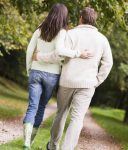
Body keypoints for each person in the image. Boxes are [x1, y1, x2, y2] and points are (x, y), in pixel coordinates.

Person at [35, 7, 113, 150]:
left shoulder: (70, 34)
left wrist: (39, 56)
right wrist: (97, 80)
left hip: (67, 81)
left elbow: (58, 55)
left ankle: (52, 146)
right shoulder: (102, 39)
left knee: (61, 113)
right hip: (88, 84)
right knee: (77, 119)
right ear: (94, 21)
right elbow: (108, 63)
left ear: (81, 18)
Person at [23, 3, 91, 150]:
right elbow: (60, 51)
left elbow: (30, 50)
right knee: (41, 106)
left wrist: (29, 68)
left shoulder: (40, 29)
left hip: (35, 71)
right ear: (64, 16)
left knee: (32, 106)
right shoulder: (62, 32)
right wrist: (79, 53)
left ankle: (27, 142)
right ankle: (31, 140)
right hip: (52, 75)